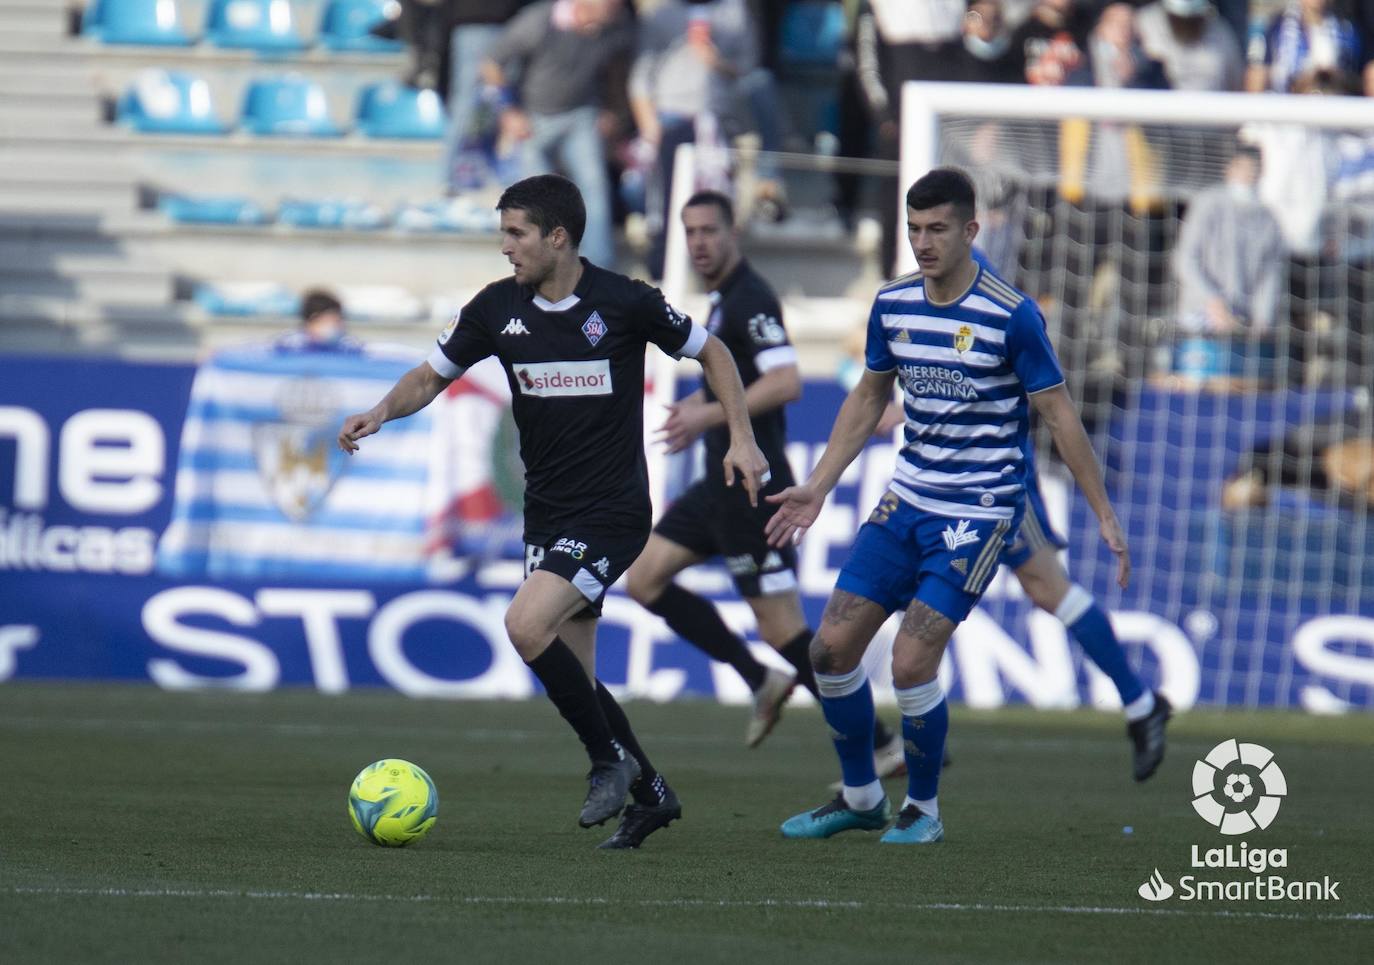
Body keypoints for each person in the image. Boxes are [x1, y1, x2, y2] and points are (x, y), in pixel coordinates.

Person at [338, 174, 769, 849]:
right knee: (577, 675)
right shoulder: (495, 308)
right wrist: (380, 411)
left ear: (558, 237)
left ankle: (607, 764)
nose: (504, 246)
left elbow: (712, 350)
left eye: (516, 233)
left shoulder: (625, 303)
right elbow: (431, 374)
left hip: (613, 512)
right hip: (547, 515)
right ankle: (651, 793)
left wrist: (740, 437)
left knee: (523, 621)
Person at [765, 168, 1131, 844]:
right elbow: (869, 397)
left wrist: (1102, 510)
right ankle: (862, 795)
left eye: (937, 229)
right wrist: (817, 484)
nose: (923, 242)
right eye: (914, 228)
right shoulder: (894, 304)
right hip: (906, 500)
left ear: (970, 230)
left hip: (979, 510)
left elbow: (1057, 412)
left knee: (909, 661)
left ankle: (924, 811)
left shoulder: (1010, 313)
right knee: (830, 646)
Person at [624, 191, 907, 776]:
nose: (699, 243)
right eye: (690, 232)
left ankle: (882, 742)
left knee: (783, 628)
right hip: (716, 487)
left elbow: (785, 381)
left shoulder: (752, 299)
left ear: (734, 233)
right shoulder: (726, 302)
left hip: (754, 489)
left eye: (709, 230)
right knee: (645, 579)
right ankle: (761, 680)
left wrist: (706, 414)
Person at [477, 0, 635, 268]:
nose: (615, 6)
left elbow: (623, 72)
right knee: (537, 195)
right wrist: (508, 111)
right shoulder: (540, 20)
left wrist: (613, 112)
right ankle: (538, 265)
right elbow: (491, 63)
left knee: (593, 185)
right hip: (534, 119)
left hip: (581, 115)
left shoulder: (618, 28)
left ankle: (597, 268)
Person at [1170, 144, 1286, 388]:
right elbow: (1185, 259)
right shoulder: (1208, 204)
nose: (1248, 175)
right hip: (1198, 320)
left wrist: (1262, 319)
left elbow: (1270, 275)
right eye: (1243, 168)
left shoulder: (1268, 217)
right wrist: (1211, 300)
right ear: (1229, 169)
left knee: (1235, 392)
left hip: (1241, 326)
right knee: (1194, 390)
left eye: (1254, 169)